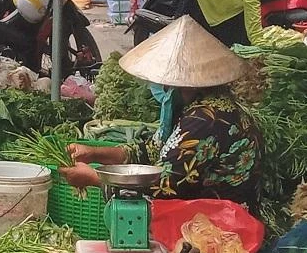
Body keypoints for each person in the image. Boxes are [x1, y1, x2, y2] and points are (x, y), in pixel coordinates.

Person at [61, 16, 263, 210]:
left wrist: (95, 177)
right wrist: (94, 153)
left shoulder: (205, 121)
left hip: (220, 222)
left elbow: (164, 187)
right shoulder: (195, 106)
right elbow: (152, 150)